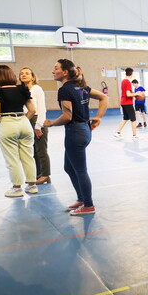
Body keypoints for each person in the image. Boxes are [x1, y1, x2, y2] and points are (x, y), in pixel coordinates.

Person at [45, 59, 108, 215]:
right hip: (84, 130)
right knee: (69, 167)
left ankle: (88, 205)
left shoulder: (65, 90)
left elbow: (67, 116)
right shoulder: (82, 87)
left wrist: (51, 123)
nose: (53, 71)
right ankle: (81, 198)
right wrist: (98, 117)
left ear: (65, 72)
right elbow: (104, 97)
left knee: (80, 170)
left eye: (56, 68)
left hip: (75, 132)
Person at [0, 65, 37, 197]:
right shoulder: (22, 89)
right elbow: (32, 110)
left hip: (6, 123)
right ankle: (32, 186)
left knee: (12, 158)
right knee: (28, 156)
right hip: (24, 122)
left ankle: (17, 188)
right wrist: (23, 120)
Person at [19, 67, 51, 185]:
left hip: (37, 119)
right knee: (33, 151)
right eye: (21, 74)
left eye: (27, 73)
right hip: (26, 119)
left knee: (41, 150)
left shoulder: (37, 89)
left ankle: (46, 175)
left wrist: (38, 125)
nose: (24, 75)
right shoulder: (21, 90)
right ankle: (38, 174)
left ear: (33, 76)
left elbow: (42, 108)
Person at [114, 67, 141, 139]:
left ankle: (117, 132)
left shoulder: (123, 81)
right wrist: (136, 94)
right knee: (133, 119)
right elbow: (128, 94)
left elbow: (127, 93)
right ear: (131, 74)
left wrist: (134, 94)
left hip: (123, 102)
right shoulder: (128, 82)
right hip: (128, 103)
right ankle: (134, 135)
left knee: (125, 118)